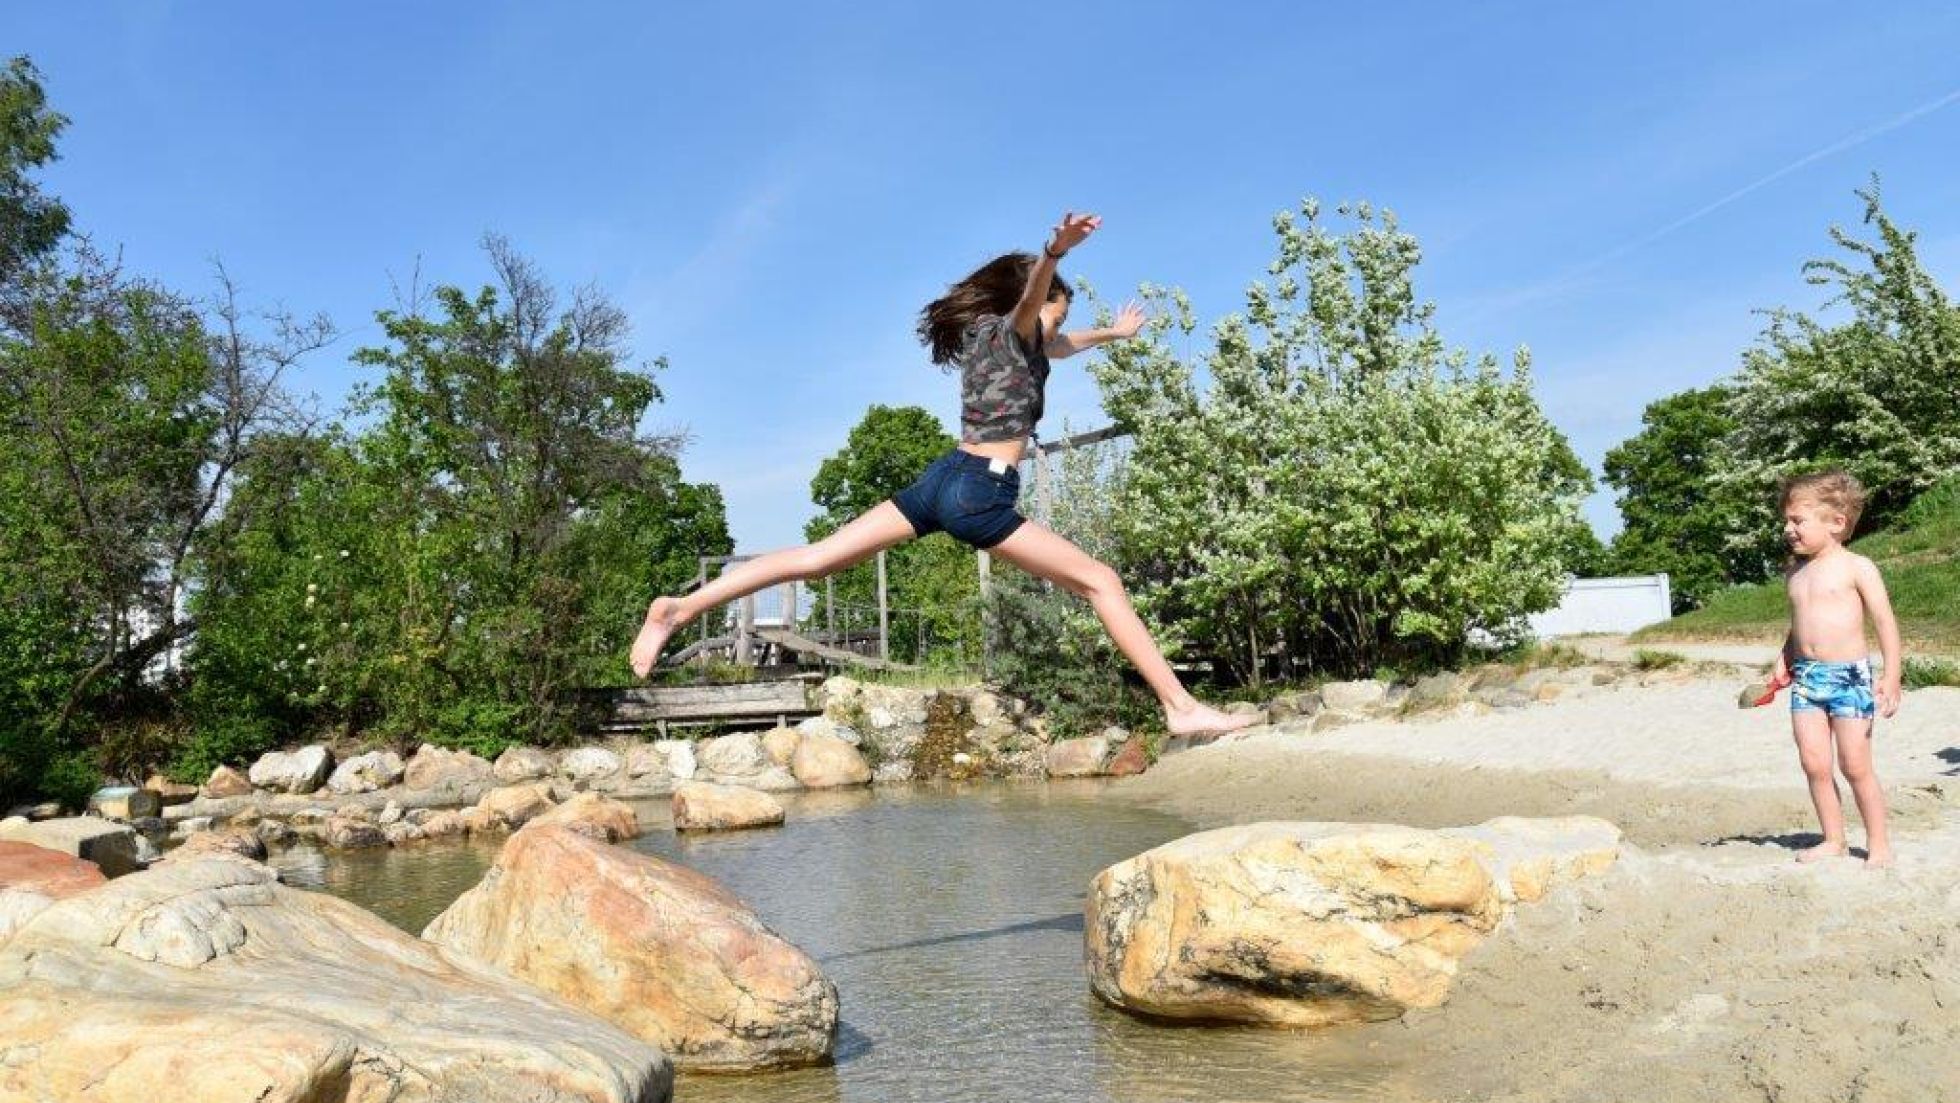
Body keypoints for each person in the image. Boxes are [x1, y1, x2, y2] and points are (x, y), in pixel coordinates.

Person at [631, 211, 1254, 738]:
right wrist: (1052, 253)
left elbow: (1061, 344)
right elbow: (1035, 305)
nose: (1056, 328)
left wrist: (1111, 334)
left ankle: (680, 610)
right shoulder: (1016, 326)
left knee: (815, 558)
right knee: (1100, 582)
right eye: (1054, 315)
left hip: (942, 479)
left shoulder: (1009, 340)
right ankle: (1181, 707)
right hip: (980, 490)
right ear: (1031, 306)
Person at [1771, 470, 1900, 867]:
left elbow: (1884, 621)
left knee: (1856, 765)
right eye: (1787, 521)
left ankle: (1878, 845)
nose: (1789, 529)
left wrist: (1892, 675)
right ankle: (1834, 839)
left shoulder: (1857, 567)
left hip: (1850, 678)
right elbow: (1799, 626)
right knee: (1814, 762)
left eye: (1798, 520)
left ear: (1836, 523)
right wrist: (1783, 659)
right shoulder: (1796, 572)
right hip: (1807, 678)